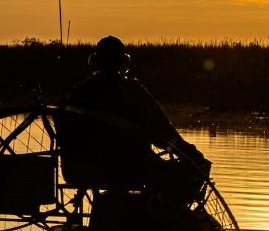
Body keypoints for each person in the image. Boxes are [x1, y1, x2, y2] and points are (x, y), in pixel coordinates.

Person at [61, 35, 208, 193]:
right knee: (179, 174)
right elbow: (162, 131)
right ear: (123, 62)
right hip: (129, 170)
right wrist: (191, 153)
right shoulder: (133, 91)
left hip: (80, 171)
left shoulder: (80, 92)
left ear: (95, 61)